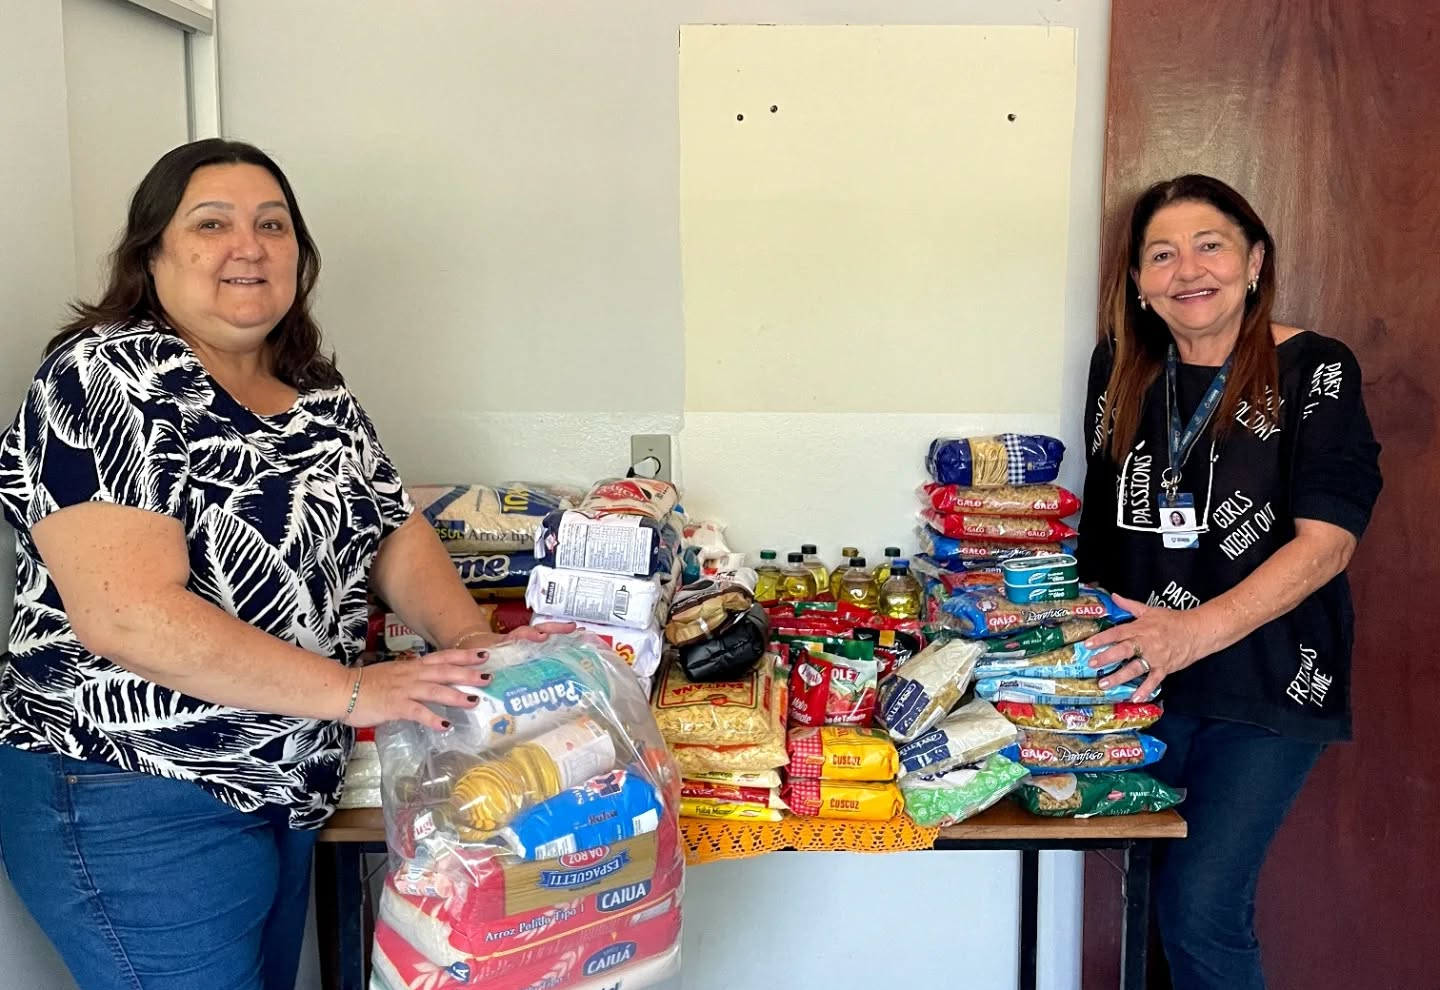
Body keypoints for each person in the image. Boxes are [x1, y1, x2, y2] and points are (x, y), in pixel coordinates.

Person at [0, 139, 569, 990]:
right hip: (135, 789)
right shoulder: (104, 377)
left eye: (273, 225)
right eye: (211, 224)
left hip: (285, 780)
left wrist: (470, 645)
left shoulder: (314, 390)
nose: (249, 246)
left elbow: (392, 531)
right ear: (151, 253)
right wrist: (358, 692)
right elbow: (127, 615)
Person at [1077, 174, 1382, 990]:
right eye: (1161, 255)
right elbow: (1100, 536)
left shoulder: (1316, 369)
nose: (1188, 270)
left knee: (1201, 908)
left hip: (1269, 683)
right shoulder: (1120, 369)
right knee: (1143, 899)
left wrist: (1192, 633)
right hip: (1140, 681)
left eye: (1209, 246)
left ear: (1254, 261)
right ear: (1139, 284)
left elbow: (1328, 544)